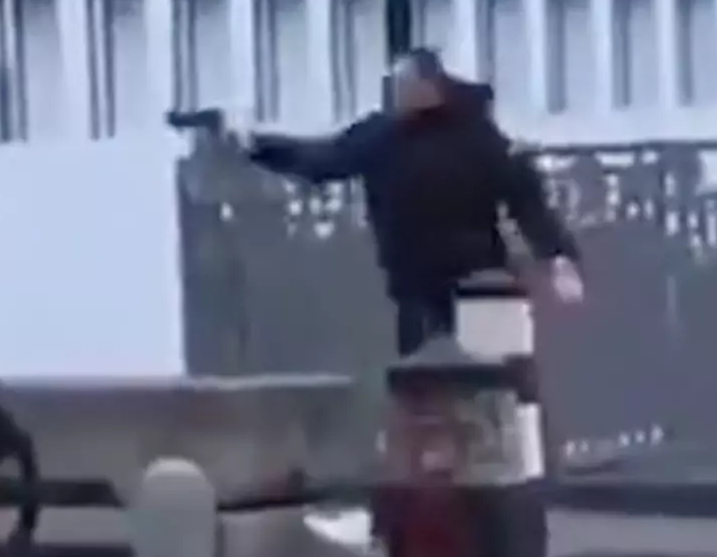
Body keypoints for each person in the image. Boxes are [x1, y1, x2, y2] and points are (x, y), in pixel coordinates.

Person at [233, 48, 584, 355]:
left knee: (485, 373)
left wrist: (557, 256)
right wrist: (261, 147)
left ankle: (497, 420)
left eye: (407, 83)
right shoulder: (385, 136)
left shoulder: (473, 135)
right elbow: (323, 160)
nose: (400, 93)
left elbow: (526, 199)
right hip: (419, 283)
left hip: (477, 279)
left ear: (433, 86)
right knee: (430, 377)